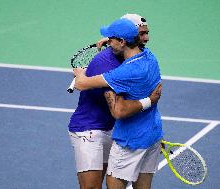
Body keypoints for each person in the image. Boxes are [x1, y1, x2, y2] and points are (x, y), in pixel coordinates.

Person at [68, 14, 161, 189]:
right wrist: (149, 100)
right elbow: (118, 110)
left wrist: (80, 73)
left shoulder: (140, 57)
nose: (145, 38)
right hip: (90, 128)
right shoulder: (109, 63)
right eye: (141, 34)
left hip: (118, 129)